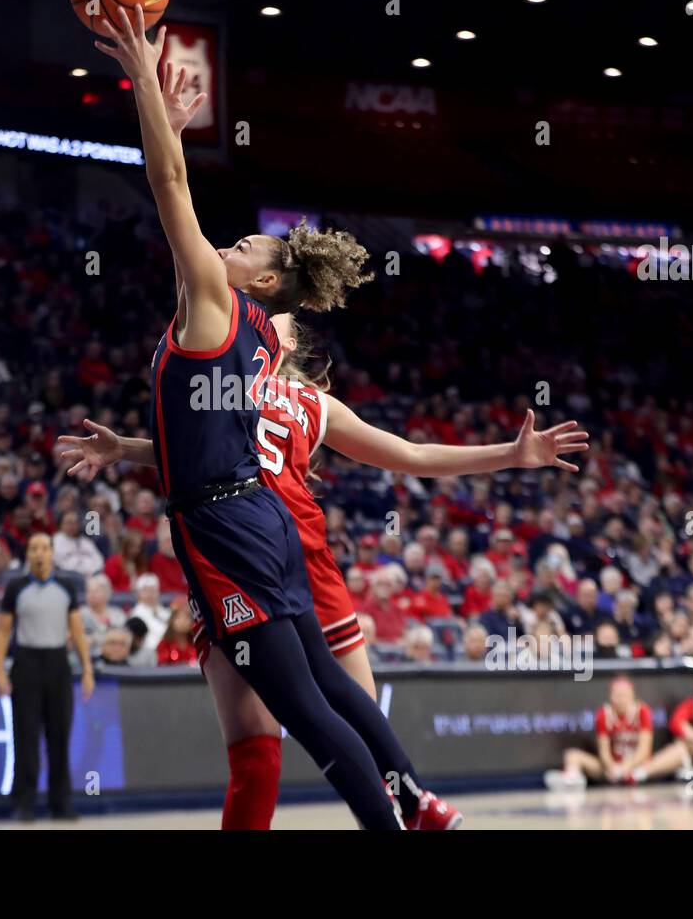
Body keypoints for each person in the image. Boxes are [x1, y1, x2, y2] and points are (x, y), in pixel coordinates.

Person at [64, 308, 587, 827]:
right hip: (230, 553)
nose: (252, 318)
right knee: (260, 741)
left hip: (300, 555)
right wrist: (123, 450)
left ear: (284, 347)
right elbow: (186, 456)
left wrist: (509, 456)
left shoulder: (311, 402)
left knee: (348, 709)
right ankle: (409, 803)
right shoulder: (225, 380)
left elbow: (412, 454)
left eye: (270, 319)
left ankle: (412, 799)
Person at [0, 533, 94, 821]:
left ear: (52, 553)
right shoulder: (16, 587)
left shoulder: (66, 587)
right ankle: (24, 803)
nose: (39, 553)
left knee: (59, 736)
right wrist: (0, 670)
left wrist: (86, 668)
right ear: (27, 553)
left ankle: (60, 803)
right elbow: (2, 631)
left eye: (44, 548)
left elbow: (76, 631)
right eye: (34, 548)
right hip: (26, 663)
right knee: (25, 736)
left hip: (58, 664)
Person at [545, 676, 653, 789]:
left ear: (632, 696)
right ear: (610, 696)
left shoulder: (642, 711)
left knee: (652, 764)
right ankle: (572, 779)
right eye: (617, 695)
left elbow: (643, 751)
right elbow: (604, 751)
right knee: (572, 755)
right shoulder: (603, 714)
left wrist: (627, 766)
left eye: (624, 695)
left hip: (637, 767)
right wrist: (612, 767)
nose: (621, 700)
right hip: (611, 769)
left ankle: (635, 776)